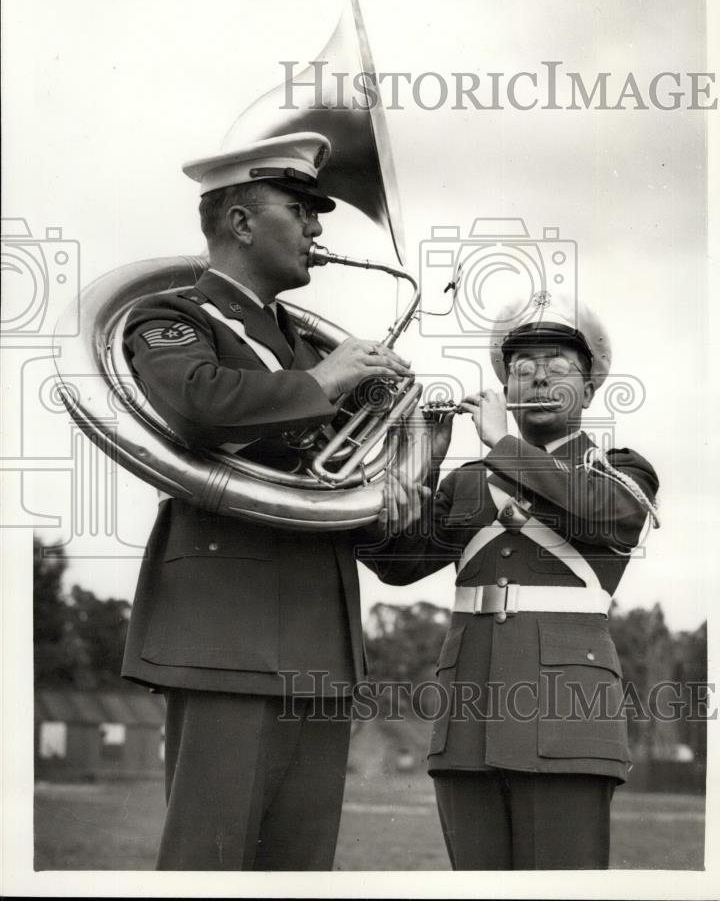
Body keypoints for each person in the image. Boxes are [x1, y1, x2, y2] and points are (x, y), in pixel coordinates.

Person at [121, 131, 417, 870]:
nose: (320, 229)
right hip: (224, 633)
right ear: (242, 222)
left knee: (299, 868)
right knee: (208, 863)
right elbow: (197, 404)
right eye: (303, 209)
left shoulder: (314, 351)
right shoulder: (174, 316)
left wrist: (408, 472)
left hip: (320, 637)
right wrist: (326, 385)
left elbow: (346, 481)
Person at [367, 295, 660, 870]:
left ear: (591, 385)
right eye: (523, 365)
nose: (539, 374)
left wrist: (503, 444)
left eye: (558, 363)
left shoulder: (619, 469)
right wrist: (417, 464)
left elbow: (603, 511)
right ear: (506, 382)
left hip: (568, 721)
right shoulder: (468, 482)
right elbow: (396, 566)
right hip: (465, 720)